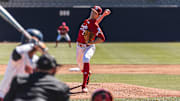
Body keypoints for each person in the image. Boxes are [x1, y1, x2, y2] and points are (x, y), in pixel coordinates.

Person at [0, 28, 46, 101]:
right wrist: (32, 44)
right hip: (5, 95)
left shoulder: (36, 59)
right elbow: (17, 53)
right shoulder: (19, 53)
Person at [4, 54, 70, 101]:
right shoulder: (61, 87)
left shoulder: (19, 80)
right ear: (54, 69)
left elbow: (7, 99)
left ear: (35, 68)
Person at [76, 5, 111, 93]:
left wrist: (92, 43)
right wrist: (103, 15)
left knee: (86, 59)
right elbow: (95, 22)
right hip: (79, 46)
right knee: (80, 65)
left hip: (88, 47)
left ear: (96, 15)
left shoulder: (95, 25)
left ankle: (84, 86)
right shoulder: (87, 21)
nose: (92, 13)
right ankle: (87, 73)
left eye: (94, 13)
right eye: (92, 11)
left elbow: (102, 38)